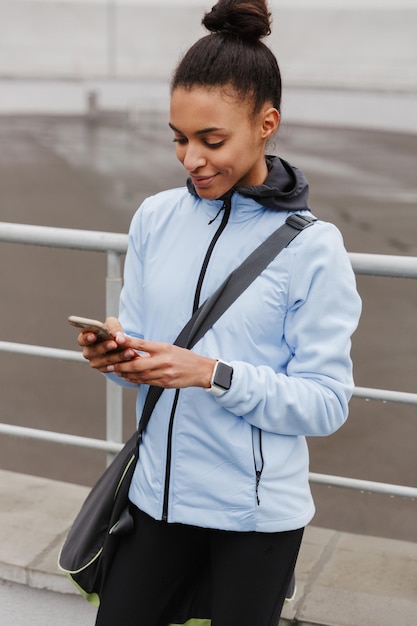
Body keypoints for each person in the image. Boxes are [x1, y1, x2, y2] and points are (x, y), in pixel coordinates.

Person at [77, 1, 361, 624]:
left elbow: (327, 401)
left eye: (212, 140)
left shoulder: (312, 246)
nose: (191, 160)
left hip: (254, 520)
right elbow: (151, 356)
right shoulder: (154, 217)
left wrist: (213, 373)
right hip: (154, 500)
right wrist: (118, 356)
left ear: (266, 124)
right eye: (179, 138)